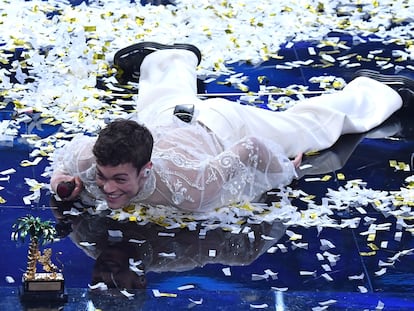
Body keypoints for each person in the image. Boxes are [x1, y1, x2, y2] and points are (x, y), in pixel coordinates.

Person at [50, 42, 413, 212]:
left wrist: (285, 170)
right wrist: (65, 183)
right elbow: (63, 165)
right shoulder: (93, 159)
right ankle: (171, 55)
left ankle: (378, 91)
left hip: (221, 125)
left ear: (146, 171)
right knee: (155, 105)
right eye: (103, 176)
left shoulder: (192, 188)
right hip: (164, 120)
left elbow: (251, 149)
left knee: (305, 129)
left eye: (119, 180)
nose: (107, 187)